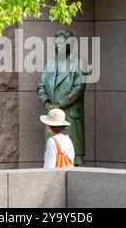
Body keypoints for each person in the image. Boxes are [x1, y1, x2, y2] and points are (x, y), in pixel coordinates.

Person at [37, 29, 86, 165]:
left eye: (61, 43)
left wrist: (60, 104)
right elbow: (40, 86)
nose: (57, 46)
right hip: (52, 114)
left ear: (69, 44)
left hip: (69, 114)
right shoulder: (50, 63)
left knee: (71, 158)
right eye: (56, 44)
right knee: (52, 155)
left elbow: (79, 88)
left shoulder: (79, 62)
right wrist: (46, 102)